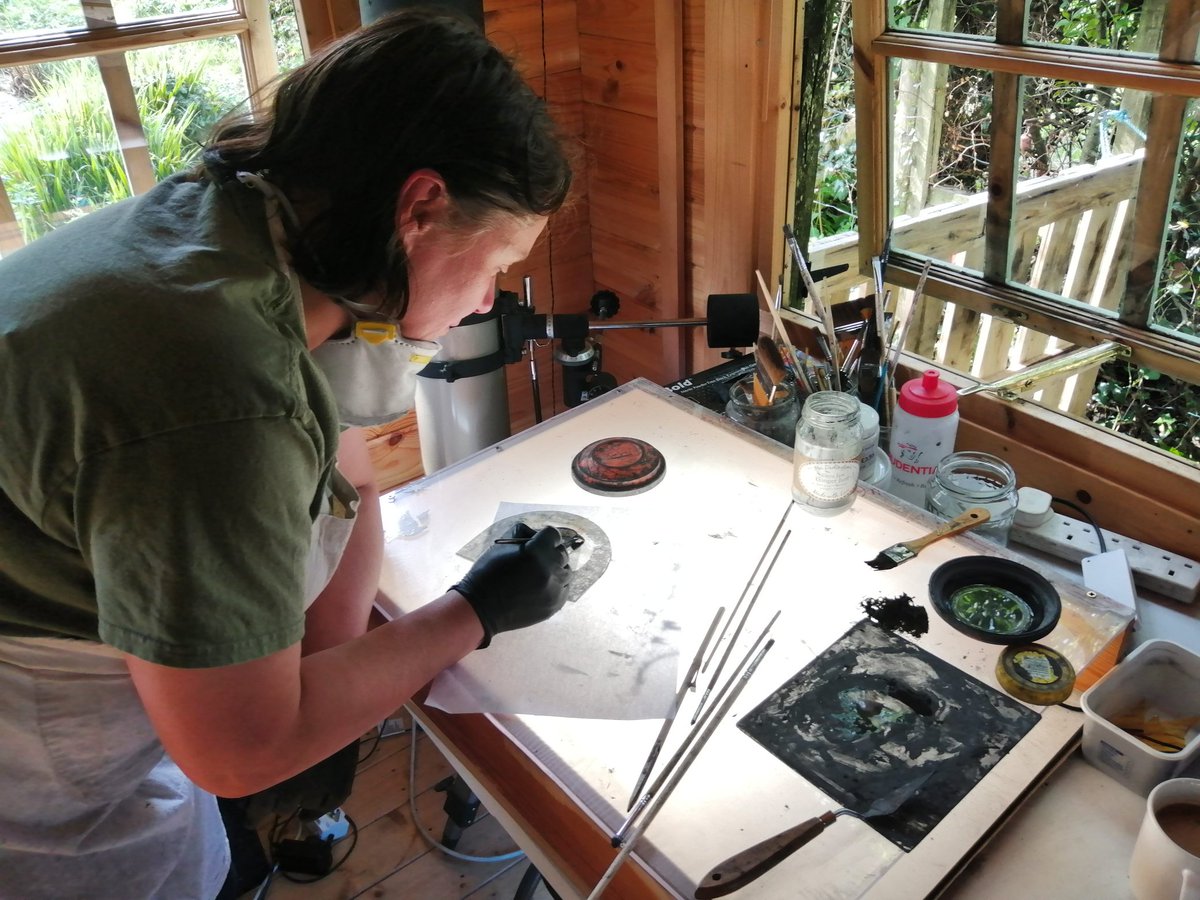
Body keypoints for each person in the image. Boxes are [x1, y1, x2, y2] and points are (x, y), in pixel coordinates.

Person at [0, 10, 574, 898]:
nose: (488, 296)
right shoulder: (217, 394)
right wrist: (476, 609)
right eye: (499, 259)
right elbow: (238, 750)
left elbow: (345, 482)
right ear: (419, 208)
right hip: (30, 767)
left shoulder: (232, 232)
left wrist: (324, 686)